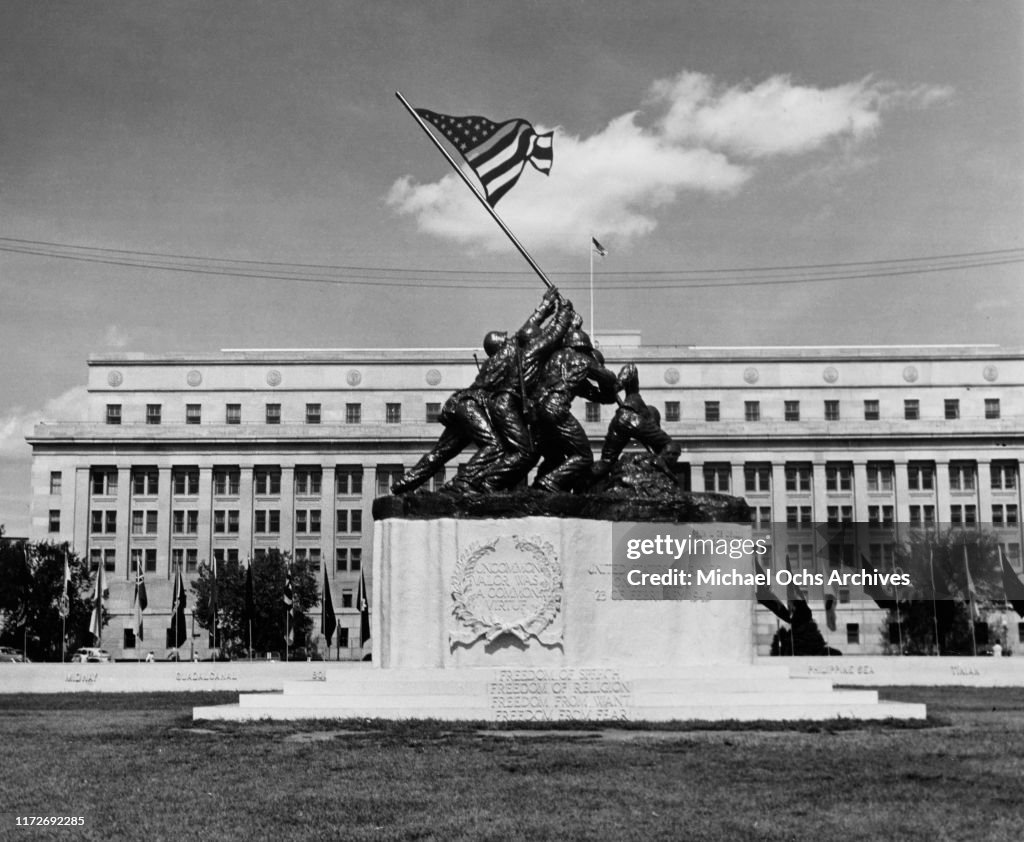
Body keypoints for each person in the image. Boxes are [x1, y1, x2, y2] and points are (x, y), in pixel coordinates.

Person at [391, 289, 568, 495]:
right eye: (506, 338)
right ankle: (462, 482)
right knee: (494, 446)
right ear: (501, 344)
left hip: (463, 405)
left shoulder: (498, 359)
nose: (511, 338)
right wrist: (549, 307)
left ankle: (403, 485)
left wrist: (547, 307)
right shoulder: (511, 352)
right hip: (472, 405)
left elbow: (528, 330)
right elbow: (529, 331)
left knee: (440, 453)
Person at [530, 327, 619, 492]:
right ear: (583, 349)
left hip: (537, 414)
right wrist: (600, 368)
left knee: (555, 456)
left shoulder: (554, 362)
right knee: (584, 456)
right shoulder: (580, 359)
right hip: (555, 409)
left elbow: (601, 397)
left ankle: (539, 488)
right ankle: (550, 482)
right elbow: (609, 377)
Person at [593, 362, 678, 480]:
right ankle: (665, 472)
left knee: (606, 462)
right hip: (630, 416)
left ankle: (583, 480)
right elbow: (630, 370)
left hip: (620, 418)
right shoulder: (646, 411)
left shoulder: (646, 412)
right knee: (672, 446)